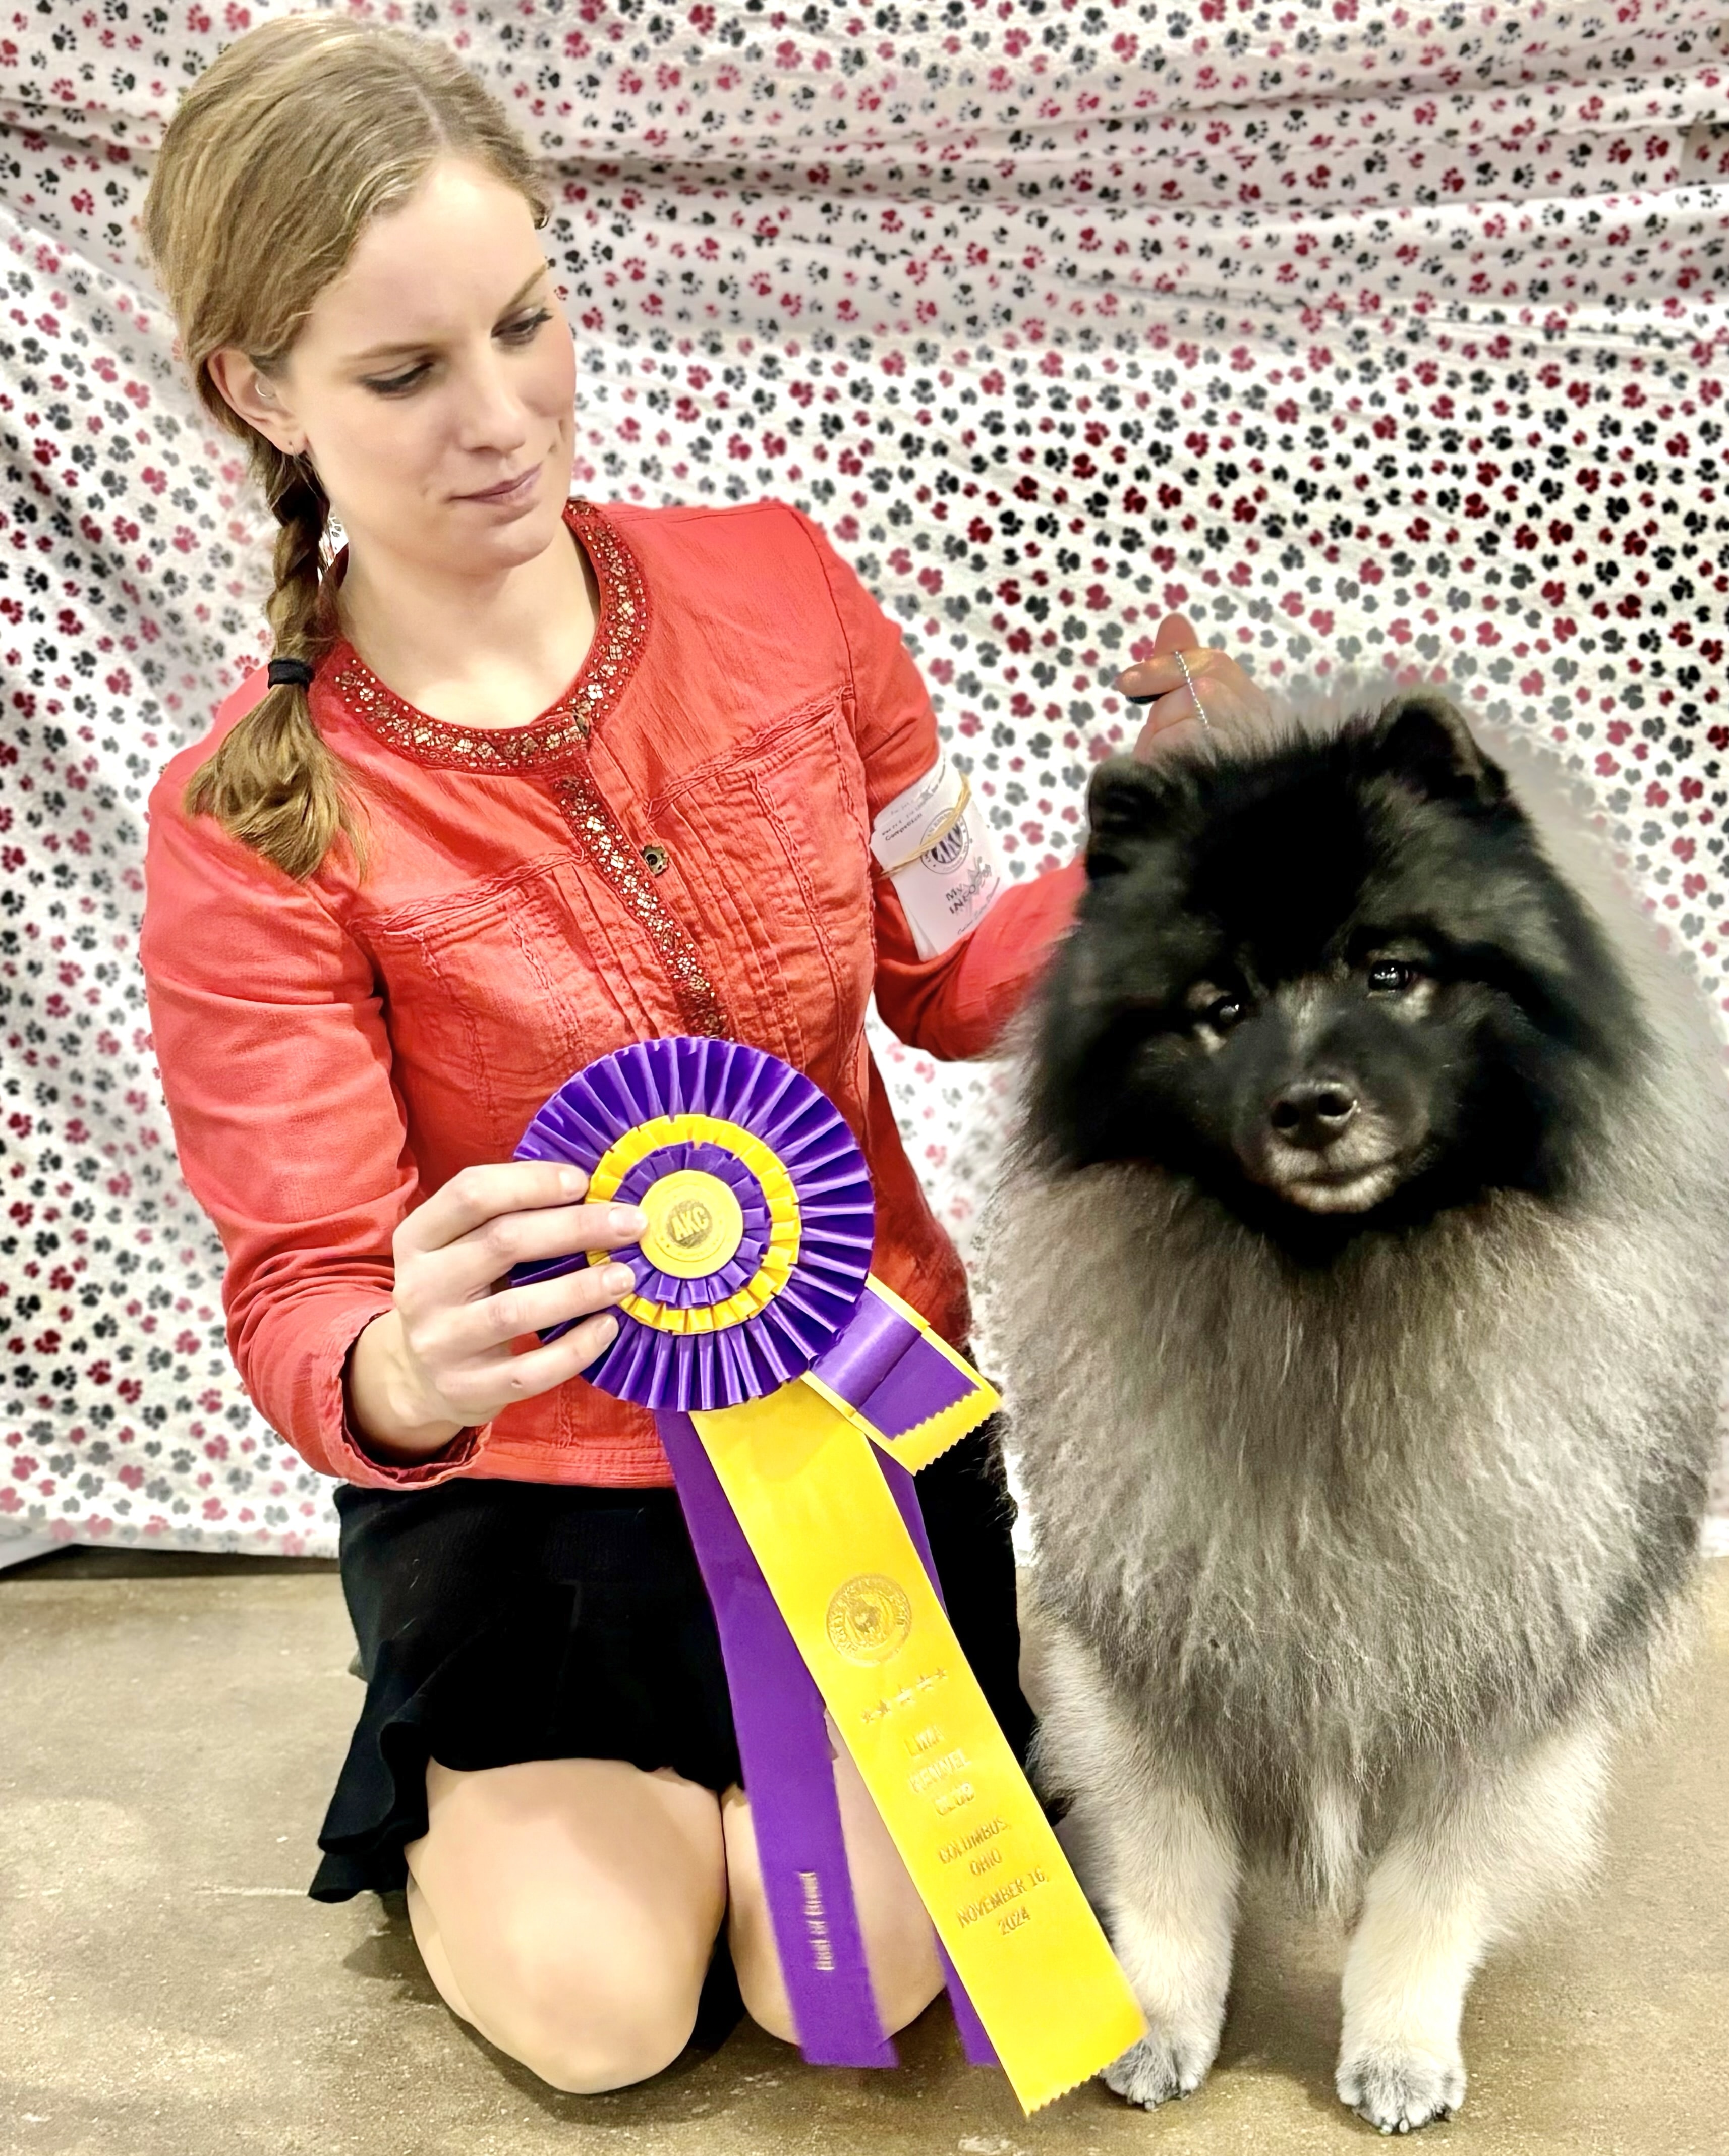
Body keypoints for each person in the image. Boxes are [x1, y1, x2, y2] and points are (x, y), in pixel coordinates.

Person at [136, 13, 1267, 2095]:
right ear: (258, 392)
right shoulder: (243, 821)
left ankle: (752, 1795)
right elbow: (301, 1293)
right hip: (532, 1519)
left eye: (527, 321)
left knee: (863, 1975)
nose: (503, 416)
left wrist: (1169, 846)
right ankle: (487, 1809)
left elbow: (947, 977)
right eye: (403, 373)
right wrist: (398, 1367)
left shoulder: (779, 586)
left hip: (859, 1436)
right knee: (604, 2012)